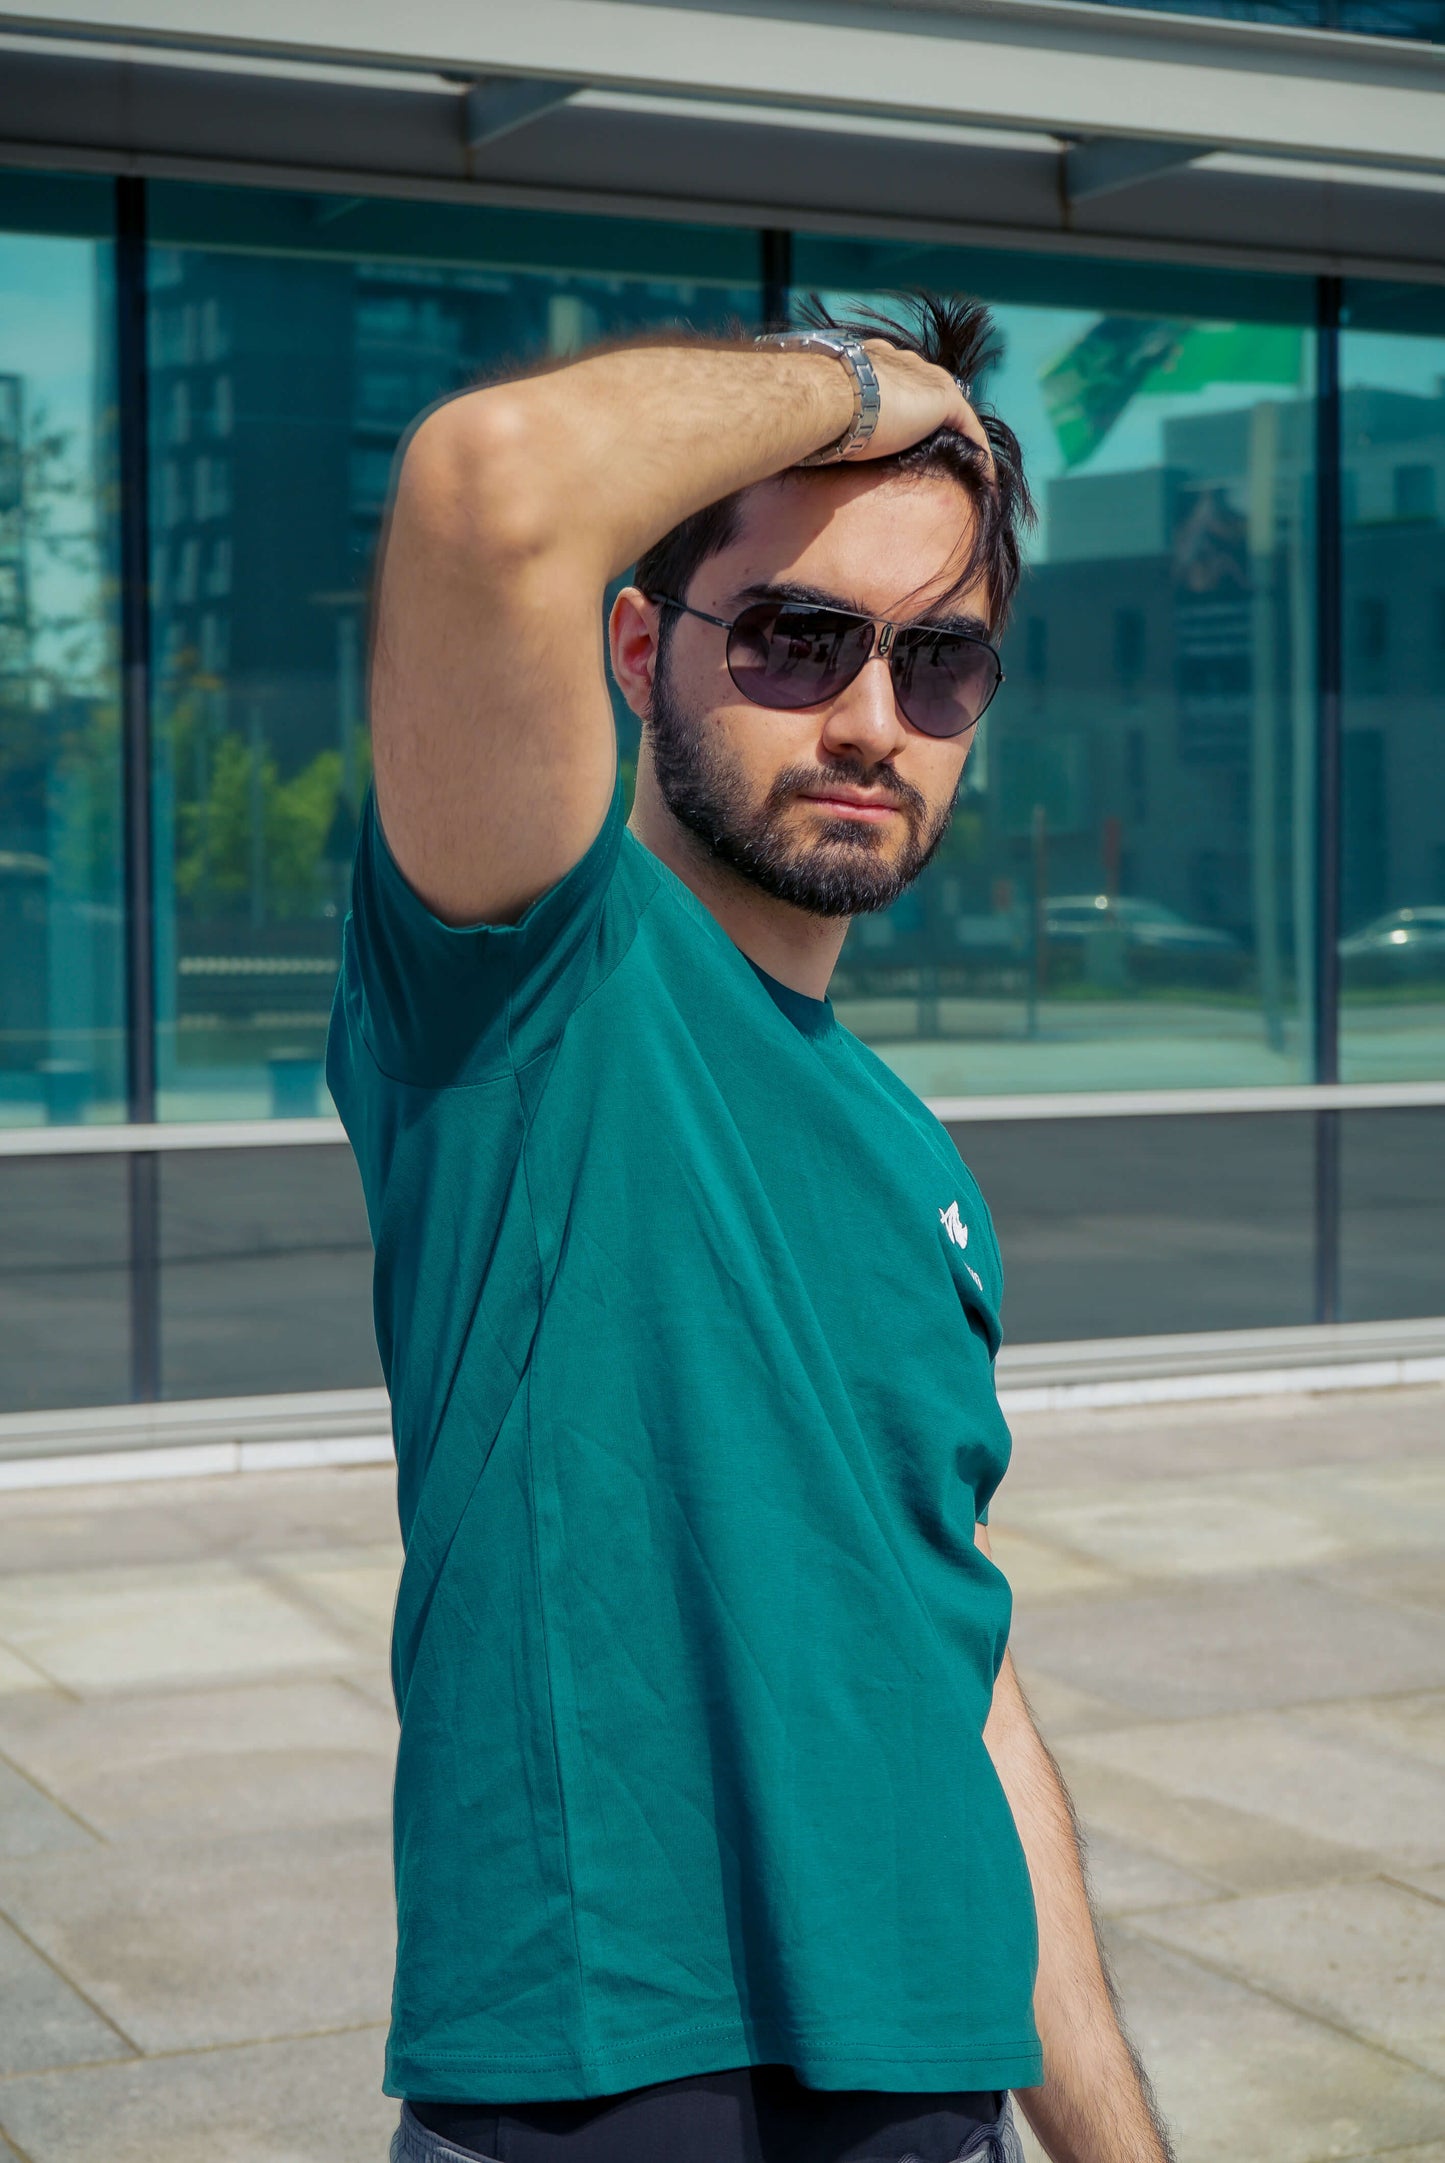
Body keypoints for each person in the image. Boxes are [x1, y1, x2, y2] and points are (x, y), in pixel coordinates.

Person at [328, 295, 1175, 2163]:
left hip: (932, 2094)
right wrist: (894, 391)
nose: (873, 719)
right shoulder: (533, 988)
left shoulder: (910, 1156)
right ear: (636, 650)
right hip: (603, 2086)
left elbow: (951, 1675)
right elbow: (492, 488)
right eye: (798, 639)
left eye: (940, 664)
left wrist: (1114, 2144)